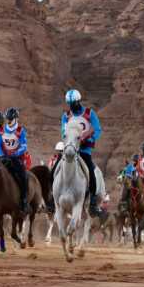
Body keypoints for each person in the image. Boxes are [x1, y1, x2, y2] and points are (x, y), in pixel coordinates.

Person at [61, 89, 102, 217]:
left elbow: (97, 129)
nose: (72, 106)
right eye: (70, 103)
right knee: (56, 168)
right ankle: (52, 198)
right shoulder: (66, 116)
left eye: (74, 103)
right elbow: (63, 131)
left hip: (84, 150)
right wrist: (70, 140)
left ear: (79, 101)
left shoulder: (90, 113)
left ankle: (93, 202)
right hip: (70, 149)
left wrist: (88, 138)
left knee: (90, 169)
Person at [0, 107, 29, 212]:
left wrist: (15, 154)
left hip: (16, 159)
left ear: (15, 119)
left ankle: (24, 200)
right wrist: (1, 155)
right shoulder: (1, 130)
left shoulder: (20, 130)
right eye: (7, 119)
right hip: (4, 158)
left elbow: (24, 146)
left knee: (24, 177)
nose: (8, 121)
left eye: (10, 119)